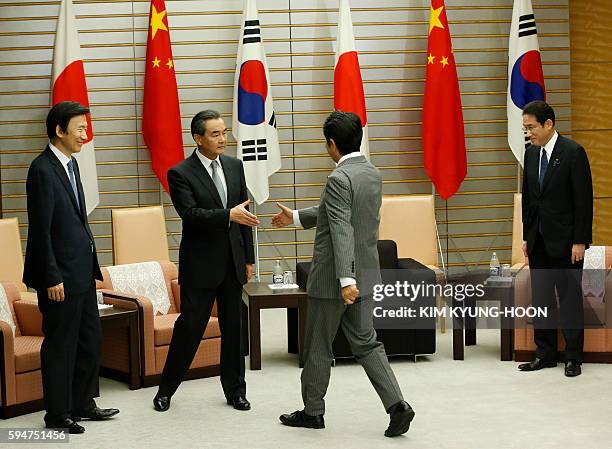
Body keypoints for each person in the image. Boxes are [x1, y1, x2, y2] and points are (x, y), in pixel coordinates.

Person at [272, 111, 414, 437]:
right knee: (367, 344)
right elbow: (339, 213)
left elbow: (340, 229)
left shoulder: (338, 179)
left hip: (334, 280)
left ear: (332, 144)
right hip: (365, 273)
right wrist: (295, 217)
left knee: (318, 346)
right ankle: (398, 406)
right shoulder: (371, 173)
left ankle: (312, 412)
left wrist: (345, 280)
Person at [23, 101, 119, 434]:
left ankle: (83, 403)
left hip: (80, 272)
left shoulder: (72, 164)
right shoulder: (42, 169)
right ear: (59, 130)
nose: (85, 134)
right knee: (60, 347)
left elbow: (78, 221)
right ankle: (57, 415)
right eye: (79, 128)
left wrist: (92, 268)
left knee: (89, 342)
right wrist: (50, 275)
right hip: (58, 277)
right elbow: (41, 229)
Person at [153, 110, 257, 412]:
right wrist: (228, 215)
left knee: (235, 331)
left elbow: (244, 217)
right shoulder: (180, 173)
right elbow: (191, 215)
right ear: (198, 138)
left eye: (224, 133)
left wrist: (248, 258)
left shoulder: (235, 166)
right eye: (215, 134)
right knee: (189, 328)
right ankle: (166, 389)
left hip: (232, 263)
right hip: (200, 266)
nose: (223, 139)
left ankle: (236, 391)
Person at [519, 100, 593, 377]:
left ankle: (573, 357)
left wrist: (580, 241)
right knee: (542, 299)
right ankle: (545, 354)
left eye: (531, 127)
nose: (529, 133)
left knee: (570, 298)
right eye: (525, 128)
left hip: (566, 242)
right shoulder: (530, 155)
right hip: (537, 240)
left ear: (548, 124)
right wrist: (527, 237)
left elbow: (583, 202)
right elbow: (529, 200)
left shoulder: (573, 153)